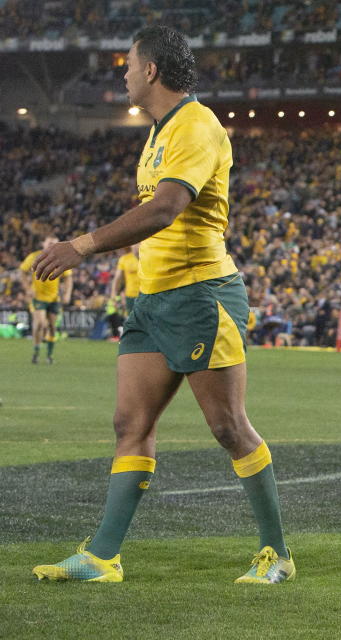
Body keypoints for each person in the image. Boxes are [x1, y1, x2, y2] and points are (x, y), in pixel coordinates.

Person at [30, 26, 293, 584]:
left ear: (150, 70)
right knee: (130, 422)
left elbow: (166, 208)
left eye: (127, 65)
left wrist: (81, 245)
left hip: (201, 294)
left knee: (227, 426)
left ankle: (278, 555)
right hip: (154, 299)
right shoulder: (158, 133)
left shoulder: (197, 125)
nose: (122, 74)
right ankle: (103, 557)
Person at [19, 235, 73, 364]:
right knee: (41, 324)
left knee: (52, 327)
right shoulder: (34, 257)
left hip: (54, 298)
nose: (51, 245)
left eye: (54, 243)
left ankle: (49, 355)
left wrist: (67, 294)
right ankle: (36, 350)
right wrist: (27, 288)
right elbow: (22, 272)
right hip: (38, 297)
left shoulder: (61, 259)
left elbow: (68, 277)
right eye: (49, 243)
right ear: (43, 244)